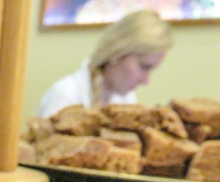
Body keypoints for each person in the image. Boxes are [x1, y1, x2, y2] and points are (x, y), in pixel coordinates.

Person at [37, 10, 172, 117]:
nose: (146, 81)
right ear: (116, 55)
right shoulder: (66, 95)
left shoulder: (126, 100)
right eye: (144, 67)